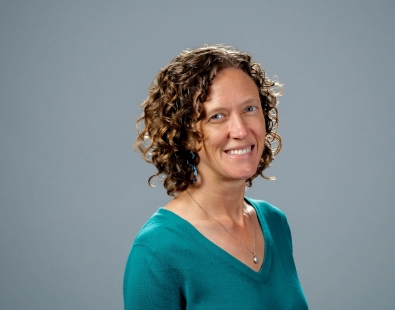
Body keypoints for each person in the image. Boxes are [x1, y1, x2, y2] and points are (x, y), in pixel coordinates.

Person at [124, 45, 308, 309]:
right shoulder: (157, 251)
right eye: (217, 116)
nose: (241, 130)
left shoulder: (275, 223)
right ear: (184, 133)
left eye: (249, 109)